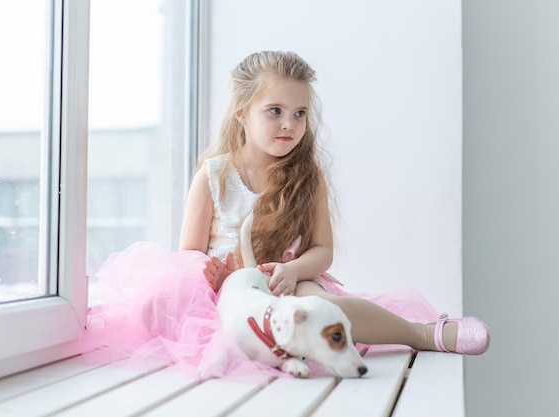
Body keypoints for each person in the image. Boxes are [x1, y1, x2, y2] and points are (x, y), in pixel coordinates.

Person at [83, 51, 489, 377]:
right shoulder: (215, 174)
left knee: (330, 311)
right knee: (153, 303)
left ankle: (423, 332)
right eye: (274, 111)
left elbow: (321, 251)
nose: (289, 124)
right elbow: (188, 252)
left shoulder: (307, 176)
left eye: (299, 114)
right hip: (223, 289)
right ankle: (259, 343)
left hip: (284, 284)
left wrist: (294, 272)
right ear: (242, 113)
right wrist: (218, 274)